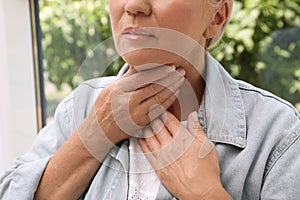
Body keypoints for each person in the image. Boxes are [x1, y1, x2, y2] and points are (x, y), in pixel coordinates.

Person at [1, 0, 300, 199]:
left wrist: (205, 193)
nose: (134, 5)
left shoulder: (280, 135)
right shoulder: (77, 109)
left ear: (217, 16)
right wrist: (94, 133)